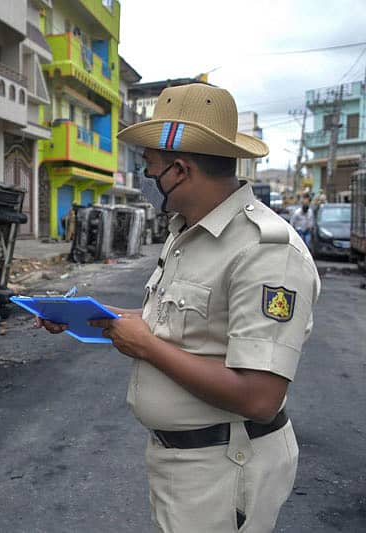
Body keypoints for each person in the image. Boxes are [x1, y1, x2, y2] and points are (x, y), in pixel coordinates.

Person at [35, 84, 320, 532]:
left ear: (179, 170)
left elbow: (261, 398)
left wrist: (145, 347)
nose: (146, 180)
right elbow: (176, 325)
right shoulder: (188, 234)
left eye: (150, 170)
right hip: (187, 463)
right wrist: (100, 316)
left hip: (225, 466)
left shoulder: (265, 252)